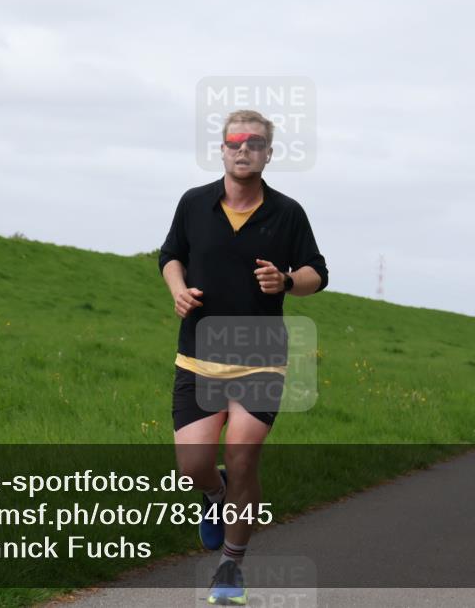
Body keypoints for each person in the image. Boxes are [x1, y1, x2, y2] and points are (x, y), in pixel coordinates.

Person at [159, 109, 328, 605]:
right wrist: (177, 290)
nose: (243, 149)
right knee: (193, 464)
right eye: (234, 142)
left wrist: (287, 281)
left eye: (254, 143)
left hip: (260, 357)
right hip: (198, 356)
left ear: (268, 154)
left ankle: (230, 567)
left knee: (242, 455)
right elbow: (171, 255)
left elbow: (317, 272)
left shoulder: (288, 213)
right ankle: (216, 496)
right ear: (222, 150)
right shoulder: (194, 203)